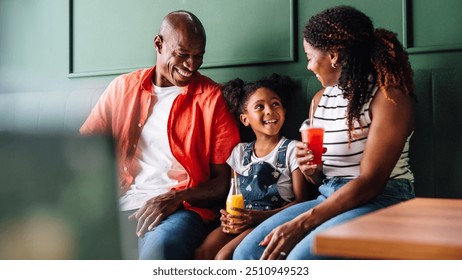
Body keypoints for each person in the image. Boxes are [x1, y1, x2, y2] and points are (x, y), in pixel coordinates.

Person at [233, 5, 416, 260]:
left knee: (301, 260)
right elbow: (321, 180)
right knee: (247, 254)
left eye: (309, 57)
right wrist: (312, 171)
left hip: (383, 199)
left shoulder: (389, 98)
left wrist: (302, 223)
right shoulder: (320, 100)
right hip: (328, 195)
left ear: (333, 55)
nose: (308, 66)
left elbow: (371, 183)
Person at [80, 10, 240, 259]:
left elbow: (225, 181)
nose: (191, 66)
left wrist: (175, 198)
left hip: (180, 211)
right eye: (182, 55)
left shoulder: (212, 99)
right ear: (158, 44)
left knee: (160, 252)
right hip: (120, 206)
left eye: (198, 57)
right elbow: (84, 151)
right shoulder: (122, 88)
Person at [194, 74, 309, 260]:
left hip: (271, 220)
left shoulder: (292, 149)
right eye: (259, 107)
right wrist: (229, 216)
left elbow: (302, 202)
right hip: (242, 220)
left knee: (223, 257)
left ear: (285, 112)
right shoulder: (239, 152)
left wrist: (256, 218)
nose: (270, 111)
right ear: (245, 119)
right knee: (202, 253)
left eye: (275, 104)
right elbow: (233, 193)